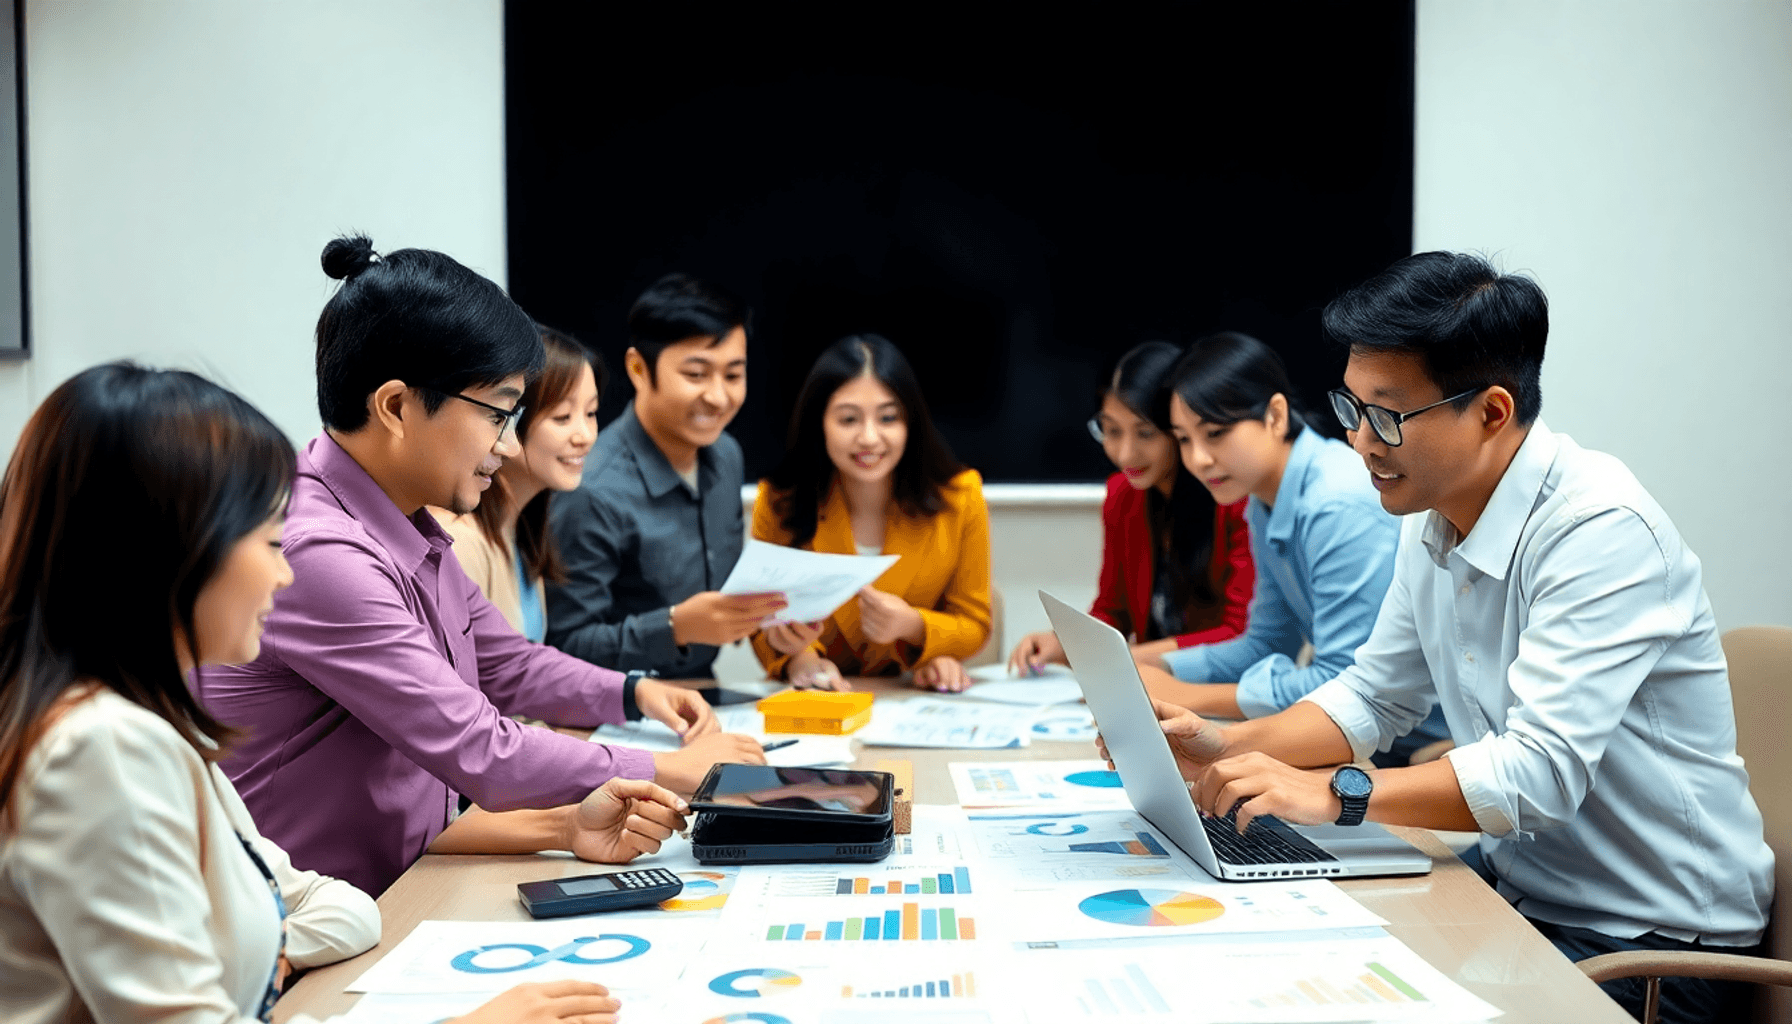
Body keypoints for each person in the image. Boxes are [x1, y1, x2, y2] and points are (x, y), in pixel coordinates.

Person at [1139, 253, 1772, 1024]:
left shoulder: (1599, 530)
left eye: (1387, 417)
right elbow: (1375, 695)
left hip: (1657, 949)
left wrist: (1340, 793)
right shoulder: (1432, 511)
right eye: (1350, 406)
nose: (1360, 442)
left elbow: (1540, 773)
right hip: (1527, 902)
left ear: (1491, 413)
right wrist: (1229, 744)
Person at [0, 363, 626, 1024]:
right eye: (268, 540)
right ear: (167, 551)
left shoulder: (146, 724)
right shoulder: (101, 748)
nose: (284, 571)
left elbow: (336, 905)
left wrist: (257, 945)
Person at [204, 238, 761, 898]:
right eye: (497, 412)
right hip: (301, 921)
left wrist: (632, 692)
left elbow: (508, 662)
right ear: (396, 407)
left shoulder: (401, 519)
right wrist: (672, 768)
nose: (505, 442)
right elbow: (478, 747)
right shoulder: (321, 553)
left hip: (394, 884)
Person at [1137, 333, 1420, 733]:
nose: (1198, 459)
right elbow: (1268, 643)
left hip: (1422, 747)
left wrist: (1185, 694)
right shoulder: (1263, 499)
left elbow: (1345, 681)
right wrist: (1158, 666)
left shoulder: (1335, 503)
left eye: (1215, 433)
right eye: (1184, 439)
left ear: (1275, 416)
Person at [547, 273, 785, 678]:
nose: (718, 396)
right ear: (639, 369)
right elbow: (564, 648)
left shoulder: (726, 456)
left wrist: (777, 631)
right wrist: (675, 628)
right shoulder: (591, 487)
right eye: (695, 374)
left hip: (703, 693)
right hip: (614, 712)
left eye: (733, 375)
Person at [749, 333, 992, 692]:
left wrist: (914, 626)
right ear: (820, 423)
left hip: (912, 700)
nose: (869, 438)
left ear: (911, 422)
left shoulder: (961, 497)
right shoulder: (778, 500)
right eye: (848, 420)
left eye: (888, 418)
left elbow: (975, 623)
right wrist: (802, 659)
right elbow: (759, 622)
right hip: (817, 705)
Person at [1009, 341, 1255, 675]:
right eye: (1111, 431)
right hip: (1150, 684)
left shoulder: (1234, 498)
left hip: (1220, 687)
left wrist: (1126, 657)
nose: (1125, 454)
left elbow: (1241, 634)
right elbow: (1113, 610)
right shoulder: (1123, 495)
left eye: (1145, 433)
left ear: (1177, 429)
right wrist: (1065, 642)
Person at [435, 325, 603, 641]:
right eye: (563, 417)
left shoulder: (521, 533)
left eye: (591, 413)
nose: (585, 437)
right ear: (506, 418)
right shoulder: (462, 541)